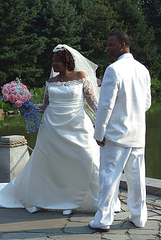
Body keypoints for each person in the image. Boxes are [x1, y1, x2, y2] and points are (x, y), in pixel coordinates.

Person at [0, 44, 101, 215]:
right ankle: (56, 200)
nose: (54, 65)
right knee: (53, 165)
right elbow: (45, 106)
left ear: (67, 61)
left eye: (57, 61)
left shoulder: (81, 77)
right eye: (53, 61)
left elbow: (93, 104)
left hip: (77, 126)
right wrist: (24, 104)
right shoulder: (50, 82)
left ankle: (77, 200)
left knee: (85, 158)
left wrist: (107, 118)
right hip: (52, 128)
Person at [89, 31, 151, 231]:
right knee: (137, 178)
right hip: (138, 133)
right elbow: (147, 103)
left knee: (109, 177)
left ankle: (103, 220)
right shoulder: (143, 70)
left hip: (116, 134)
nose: (107, 48)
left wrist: (99, 133)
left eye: (110, 45)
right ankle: (139, 217)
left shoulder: (113, 70)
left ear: (123, 45)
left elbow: (105, 106)